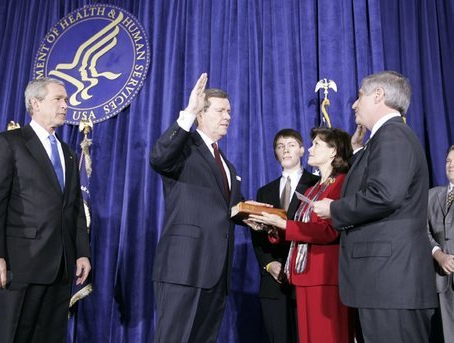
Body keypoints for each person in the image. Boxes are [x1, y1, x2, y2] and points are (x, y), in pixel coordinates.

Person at [313, 71, 437, 343]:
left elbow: (384, 195)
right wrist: (358, 150)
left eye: (360, 96)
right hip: (385, 284)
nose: (355, 105)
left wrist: (335, 210)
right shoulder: (384, 139)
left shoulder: (393, 136)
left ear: (378, 96)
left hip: (391, 284)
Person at [0, 77, 91, 343]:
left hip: (60, 268)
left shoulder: (69, 153)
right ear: (35, 103)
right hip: (19, 265)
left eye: (66, 99)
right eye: (58, 99)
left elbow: (72, 210)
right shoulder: (9, 143)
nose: (66, 105)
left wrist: (82, 252)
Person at [149, 73, 243, 342]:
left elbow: (233, 208)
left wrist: (257, 216)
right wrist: (188, 112)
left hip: (216, 272)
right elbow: (159, 158)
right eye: (221, 110)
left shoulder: (226, 164)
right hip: (184, 267)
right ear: (201, 114)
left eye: (229, 111)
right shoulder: (185, 146)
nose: (227, 116)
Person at [248, 127, 355, 343]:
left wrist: (284, 224)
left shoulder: (342, 184)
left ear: (333, 151)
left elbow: (330, 231)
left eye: (316, 144)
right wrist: (268, 227)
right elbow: (299, 230)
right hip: (305, 276)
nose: (310, 149)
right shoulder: (312, 189)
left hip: (326, 277)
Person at [250, 128, 319, 343]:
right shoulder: (264, 192)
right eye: (280, 147)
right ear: (276, 154)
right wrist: (269, 264)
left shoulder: (316, 186)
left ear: (301, 150)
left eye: (290, 145)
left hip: (306, 275)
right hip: (274, 282)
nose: (285, 150)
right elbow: (258, 235)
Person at [428, 145, 454, 342]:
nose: (450, 165)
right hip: (440, 281)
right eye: (448, 161)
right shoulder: (431, 196)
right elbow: (421, 230)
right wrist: (438, 254)